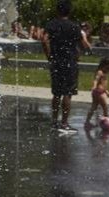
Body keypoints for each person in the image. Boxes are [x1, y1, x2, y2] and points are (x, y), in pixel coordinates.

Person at [42, 0, 89, 132]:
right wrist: (77, 54)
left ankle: (54, 121)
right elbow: (83, 45)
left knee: (56, 93)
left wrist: (49, 55)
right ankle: (64, 123)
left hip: (56, 61)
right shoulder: (74, 27)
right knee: (68, 93)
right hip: (70, 62)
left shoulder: (51, 24)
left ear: (57, 10)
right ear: (69, 11)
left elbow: (44, 39)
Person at [85, 56, 109, 127]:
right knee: (105, 106)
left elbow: (102, 84)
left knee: (94, 107)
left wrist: (106, 91)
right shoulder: (100, 72)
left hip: (98, 92)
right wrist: (94, 86)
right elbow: (96, 80)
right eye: (108, 67)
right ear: (103, 65)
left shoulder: (103, 72)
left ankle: (87, 122)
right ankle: (107, 122)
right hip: (99, 92)